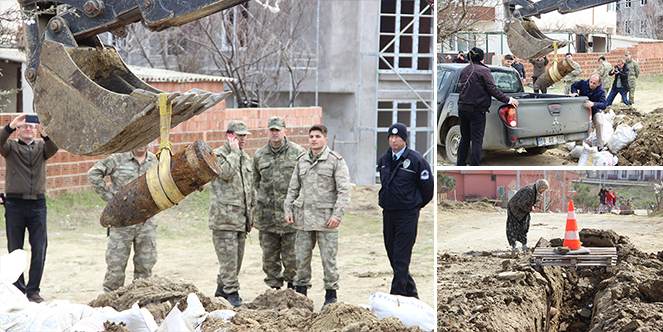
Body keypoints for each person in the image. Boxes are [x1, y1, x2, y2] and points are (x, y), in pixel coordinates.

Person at [283, 124, 351, 311]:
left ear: (325, 139)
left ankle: (331, 296)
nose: (314, 139)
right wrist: (288, 210)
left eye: (318, 136)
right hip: (303, 220)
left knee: (328, 260)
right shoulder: (302, 161)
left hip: (326, 221)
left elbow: (344, 191)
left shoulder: (335, 161)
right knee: (301, 260)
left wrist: (337, 215)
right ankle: (301, 297)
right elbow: (293, 188)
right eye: (311, 136)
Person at [1, 114, 59, 303]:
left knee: (39, 248)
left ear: (36, 130)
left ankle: (33, 290)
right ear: (19, 129)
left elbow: (54, 147)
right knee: (15, 249)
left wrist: (46, 133)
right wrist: (10, 126)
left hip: (37, 204)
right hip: (15, 204)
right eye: (25, 126)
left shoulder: (42, 148)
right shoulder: (10, 147)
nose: (28, 129)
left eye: (32, 127)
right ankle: (18, 290)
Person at [87, 145, 158, 292]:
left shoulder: (156, 161)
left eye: (146, 140)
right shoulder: (117, 159)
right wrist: (112, 199)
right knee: (115, 269)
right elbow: (93, 174)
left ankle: (141, 302)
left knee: (145, 269)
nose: (142, 144)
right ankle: (110, 306)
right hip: (121, 222)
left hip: (146, 222)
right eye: (138, 140)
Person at [376, 123, 434, 298]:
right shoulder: (384, 159)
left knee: (401, 257)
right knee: (392, 256)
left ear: (404, 139)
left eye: (397, 137)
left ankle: (397, 296)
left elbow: (427, 189)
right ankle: (412, 294)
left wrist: (413, 205)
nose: (394, 140)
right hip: (388, 213)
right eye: (391, 137)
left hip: (407, 214)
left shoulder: (416, 160)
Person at [252, 116, 306, 291]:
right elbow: (256, 182)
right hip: (267, 216)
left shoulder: (298, 153)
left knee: (292, 258)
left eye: (278, 130)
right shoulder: (260, 155)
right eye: (272, 130)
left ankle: (292, 289)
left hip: (290, 216)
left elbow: (305, 182)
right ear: (268, 132)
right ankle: (273, 291)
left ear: (285, 131)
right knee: (269, 258)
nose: (274, 133)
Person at [209, 120, 255, 307]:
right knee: (229, 261)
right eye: (239, 135)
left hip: (240, 219)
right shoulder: (217, 156)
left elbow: (250, 188)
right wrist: (234, 151)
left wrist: (251, 216)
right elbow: (226, 172)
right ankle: (232, 292)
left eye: (244, 135)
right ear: (229, 136)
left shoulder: (245, 157)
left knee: (236, 261)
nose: (243, 138)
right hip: (224, 219)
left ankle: (221, 289)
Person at [456, 47, 519, 166]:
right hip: (477, 110)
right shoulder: (484, 71)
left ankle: (460, 163)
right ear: (482, 58)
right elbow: (492, 90)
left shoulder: (464, 71)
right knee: (476, 140)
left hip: (463, 109)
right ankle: (475, 166)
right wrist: (508, 99)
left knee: (464, 139)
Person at [506, 179, 549, 252]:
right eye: (542, 190)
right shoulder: (530, 191)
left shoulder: (536, 190)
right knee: (513, 227)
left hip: (524, 209)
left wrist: (531, 206)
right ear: (539, 187)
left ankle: (524, 244)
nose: (543, 192)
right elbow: (521, 203)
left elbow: (530, 201)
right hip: (515, 208)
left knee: (524, 226)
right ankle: (514, 246)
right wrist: (530, 208)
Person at [570, 73, 608, 150]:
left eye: (594, 83)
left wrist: (593, 104)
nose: (591, 84)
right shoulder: (583, 83)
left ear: (598, 84)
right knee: (580, 125)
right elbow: (573, 85)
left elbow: (604, 105)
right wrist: (575, 93)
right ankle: (578, 145)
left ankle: (600, 146)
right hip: (582, 110)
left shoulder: (601, 91)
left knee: (599, 123)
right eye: (591, 82)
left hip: (594, 110)